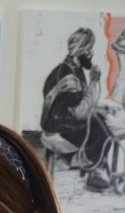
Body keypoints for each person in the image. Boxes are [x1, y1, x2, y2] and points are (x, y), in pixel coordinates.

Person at [41, 27, 111, 190]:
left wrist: (97, 108)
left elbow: (80, 102)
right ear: (80, 50)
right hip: (58, 126)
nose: (91, 54)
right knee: (101, 131)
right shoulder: (69, 77)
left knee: (100, 118)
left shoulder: (72, 68)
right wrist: (94, 81)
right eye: (88, 49)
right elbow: (80, 113)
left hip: (61, 119)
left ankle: (94, 169)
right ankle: (90, 169)